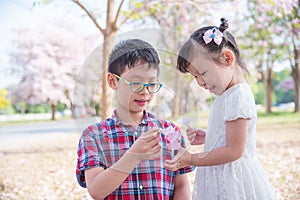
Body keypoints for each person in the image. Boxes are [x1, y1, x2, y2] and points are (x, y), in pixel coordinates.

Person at [164, 18, 276, 199]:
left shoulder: (238, 95)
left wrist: (192, 159)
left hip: (234, 181)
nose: (200, 82)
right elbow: (232, 138)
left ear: (227, 58)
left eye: (203, 73)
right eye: (195, 77)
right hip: (221, 173)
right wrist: (210, 138)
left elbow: (235, 150)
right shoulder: (227, 94)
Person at [76, 39, 194, 200]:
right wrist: (133, 156)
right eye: (136, 83)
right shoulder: (94, 135)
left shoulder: (170, 132)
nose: (145, 91)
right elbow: (96, 191)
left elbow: (181, 185)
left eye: (152, 84)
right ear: (113, 81)